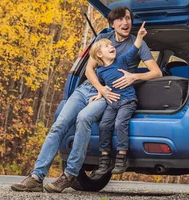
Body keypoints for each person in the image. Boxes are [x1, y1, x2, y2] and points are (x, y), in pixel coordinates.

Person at [10, 6, 161, 193]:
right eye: (121, 19)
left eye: (128, 18)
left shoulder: (137, 44)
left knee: (83, 119)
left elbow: (156, 72)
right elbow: (89, 69)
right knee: (60, 124)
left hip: (112, 94)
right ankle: (36, 177)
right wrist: (100, 88)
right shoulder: (103, 40)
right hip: (90, 90)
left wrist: (134, 77)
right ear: (112, 23)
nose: (125, 22)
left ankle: (69, 174)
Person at [89, 21, 147, 176]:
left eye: (111, 45)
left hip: (127, 101)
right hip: (112, 102)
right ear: (99, 55)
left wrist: (140, 37)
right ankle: (104, 158)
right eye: (107, 47)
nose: (112, 47)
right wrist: (99, 94)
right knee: (104, 125)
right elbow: (102, 86)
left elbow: (134, 50)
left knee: (120, 123)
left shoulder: (121, 60)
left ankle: (122, 157)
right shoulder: (100, 71)